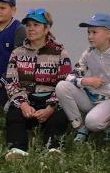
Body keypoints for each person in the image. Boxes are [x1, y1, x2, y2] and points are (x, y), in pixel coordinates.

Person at [4, 9, 71, 160]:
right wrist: (23, 105)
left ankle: (53, 150)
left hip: (50, 100)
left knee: (58, 117)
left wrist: (50, 108)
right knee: (14, 115)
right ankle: (18, 150)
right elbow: (11, 83)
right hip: (26, 99)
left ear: (46, 29)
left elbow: (65, 83)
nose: (30, 29)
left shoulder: (60, 52)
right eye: (28, 25)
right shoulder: (17, 53)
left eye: (36, 25)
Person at [55, 13, 110, 143]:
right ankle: (81, 128)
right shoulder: (88, 53)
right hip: (91, 99)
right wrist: (86, 81)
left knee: (92, 122)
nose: (90, 36)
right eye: (88, 32)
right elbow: (71, 77)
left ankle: (109, 122)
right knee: (61, 86)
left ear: (108, 34)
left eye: (94, 32)